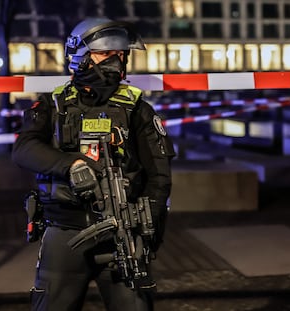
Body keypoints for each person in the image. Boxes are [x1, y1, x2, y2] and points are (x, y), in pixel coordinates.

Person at [12, 17, 175, 311]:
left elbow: (159, 176)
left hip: (123, 235)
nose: (117, 61)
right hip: (65, 231)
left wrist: (148, 228)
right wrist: (71, 165)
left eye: (121, 54)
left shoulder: (137, 108)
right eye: (106, 53)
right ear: (81, 56)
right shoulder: (54, 105)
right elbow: (23, 149)